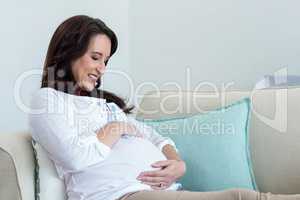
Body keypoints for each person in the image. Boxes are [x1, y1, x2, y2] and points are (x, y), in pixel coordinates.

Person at [29, 15, 300, 200]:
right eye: (95, 57)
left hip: (164, 191)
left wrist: (177, 163)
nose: (102, 68)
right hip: (119, 195)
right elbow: (76, 158)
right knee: (239, 197)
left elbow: (154, 136)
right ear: (68, 52)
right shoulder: (48, 100)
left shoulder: (104, 105)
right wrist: (115, 129)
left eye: (106, 61)